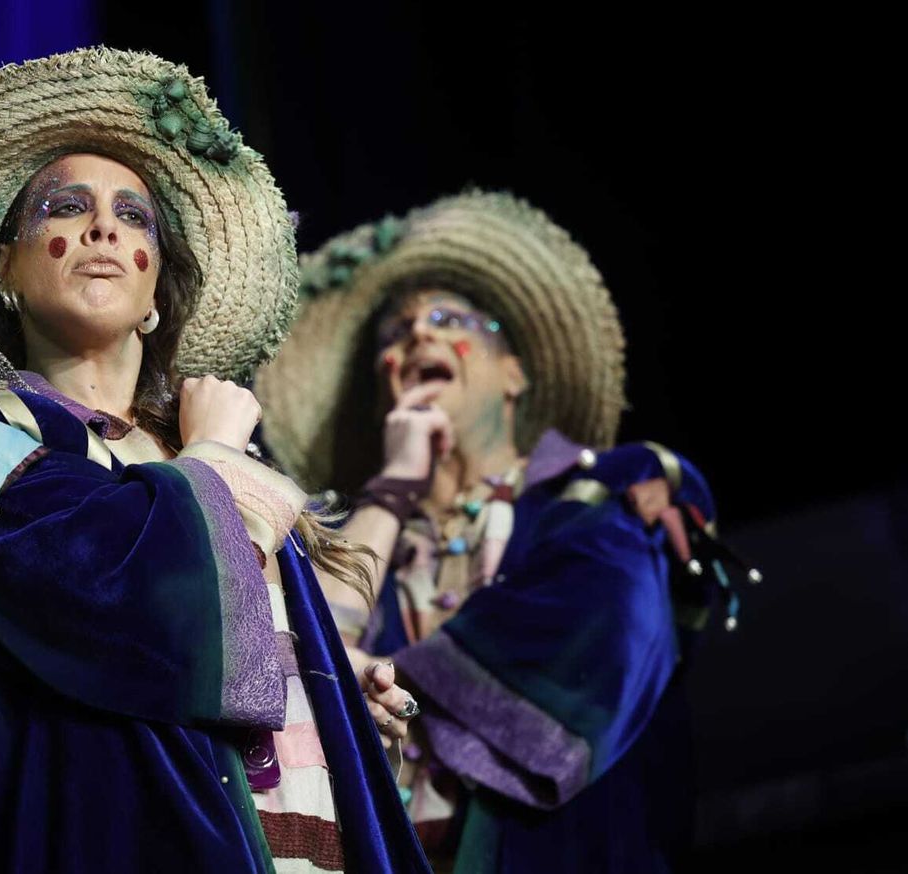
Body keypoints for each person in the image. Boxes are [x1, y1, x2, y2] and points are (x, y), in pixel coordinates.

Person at [0, 47, 430, 873]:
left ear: (154, 296)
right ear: (7, 270)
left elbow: (231, 652)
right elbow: (122, 608)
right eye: (65, 208)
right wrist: (214, 456)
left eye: (132, 216)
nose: (103, 228)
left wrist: (322, 687)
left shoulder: (198, 451)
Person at [259, 191, 746, 873]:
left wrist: (358, 679)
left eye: (444, 319)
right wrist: (395, 484)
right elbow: (303, 659)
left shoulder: (609, 501)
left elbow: (591, 648)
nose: (417, 337)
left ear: (513, 372)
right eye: (395, 338)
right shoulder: (363, 542)